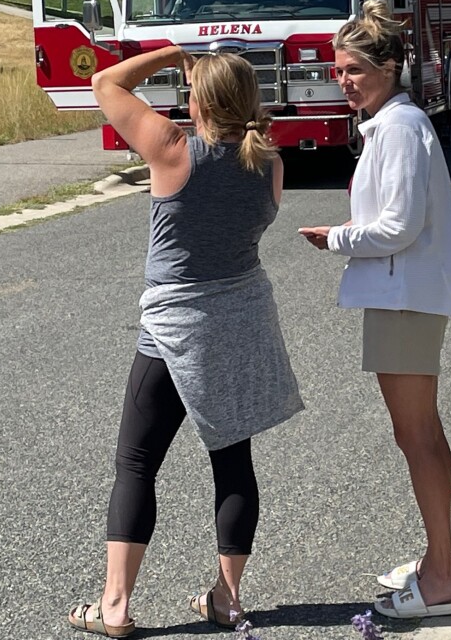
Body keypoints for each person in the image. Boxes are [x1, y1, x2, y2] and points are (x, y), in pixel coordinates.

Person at [68, 47, 303, 636]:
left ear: (198, 99)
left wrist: (174, 53)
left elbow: (104, 82)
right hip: (239, 325)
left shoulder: (174, 152)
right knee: (233, 461)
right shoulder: (268, 164)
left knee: (137, 462)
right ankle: (227, 598)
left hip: (174, 330)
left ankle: (116, 606)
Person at [299, 1, 451, 621]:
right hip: (402, 295)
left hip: (405, 298)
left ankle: (444, 576)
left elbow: (399, 225)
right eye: (338, 70)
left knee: (417, 435)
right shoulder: (391, 123)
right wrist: (354, 231)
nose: (342, 80)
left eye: (353, 70)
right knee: (418, 433)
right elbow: (396, 220)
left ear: (391, 66)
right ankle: (437, 562)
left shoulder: (398, 127)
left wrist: (338, 238)